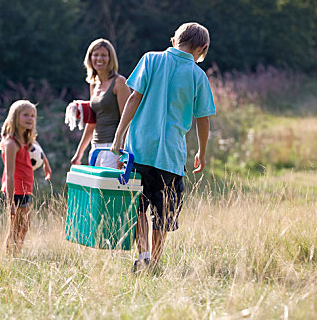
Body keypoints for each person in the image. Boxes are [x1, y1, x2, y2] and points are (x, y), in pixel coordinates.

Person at [111, 23, 216, 272]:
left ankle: (143, 253)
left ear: (174, 40)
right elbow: (203, 118)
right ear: (203, 49)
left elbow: (133, 98)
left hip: (139, 150)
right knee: (163, 212)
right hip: (171, 157)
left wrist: (118, 137)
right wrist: (202, 151)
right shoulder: (198, 75)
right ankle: (155, 262)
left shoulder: (150, 59)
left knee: (136, 206)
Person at [0, 100, 52, 255]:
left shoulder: (26, 139)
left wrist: (46, 165)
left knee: (24, 224)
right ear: (15, 117)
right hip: (15, 190)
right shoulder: (11, 143)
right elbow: (9, 174)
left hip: (25, 188)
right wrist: (10, 203)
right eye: (26, 115)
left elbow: (38, 149)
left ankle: (16, 252)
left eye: (33, 116)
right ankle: (10, 256)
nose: (30, 118)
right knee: (15, 226)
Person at [71, 38, 131, 168]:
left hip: (113, 148)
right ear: (90, 58)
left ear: (111, 58)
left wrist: (122, 151)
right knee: (93, 188)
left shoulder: (119, 82)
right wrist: (79, 153)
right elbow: (92, 123)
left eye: (104, 55)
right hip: (95, 147)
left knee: (107, 187)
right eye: (96, 55)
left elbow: (127, 119)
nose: (99, 58)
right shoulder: (94, 84)